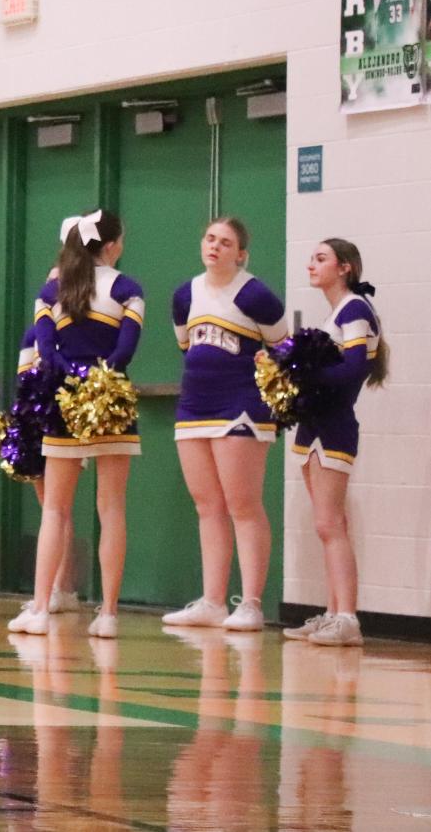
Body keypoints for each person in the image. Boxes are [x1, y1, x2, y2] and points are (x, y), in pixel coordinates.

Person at [10, 209, 143, 640]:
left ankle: (42, 608)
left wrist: (74, 379)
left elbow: (46, 352)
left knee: (54, 508)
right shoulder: (129, 289)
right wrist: (99, 380)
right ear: (113, 246)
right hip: (112, 401)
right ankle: (107, 614)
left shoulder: (51, 291)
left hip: (65, 403)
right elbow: (125, 350)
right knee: (113, 507)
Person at [161, 216, 289, 633]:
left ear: (241, 254)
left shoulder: (256, 295)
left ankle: (250, 603)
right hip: (195, 406)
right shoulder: (184, 295)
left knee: (243, 504)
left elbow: (284, 347)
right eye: (210, 238)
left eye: (226, 242)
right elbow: (187, 346)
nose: (215, 246)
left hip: (242, 406)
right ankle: (213, 601)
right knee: (207, 506)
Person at [283, 238, 383, 649]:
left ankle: (347, 618)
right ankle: (332, 613)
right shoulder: (336, 314)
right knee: (327, 525)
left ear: (345, 267)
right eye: (311, 258)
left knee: (330, 524)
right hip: (313, 425)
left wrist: (305, 376)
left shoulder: (357, 308)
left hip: (335, 424)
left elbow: (354, 368)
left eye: (321, 258)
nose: (311, 265)